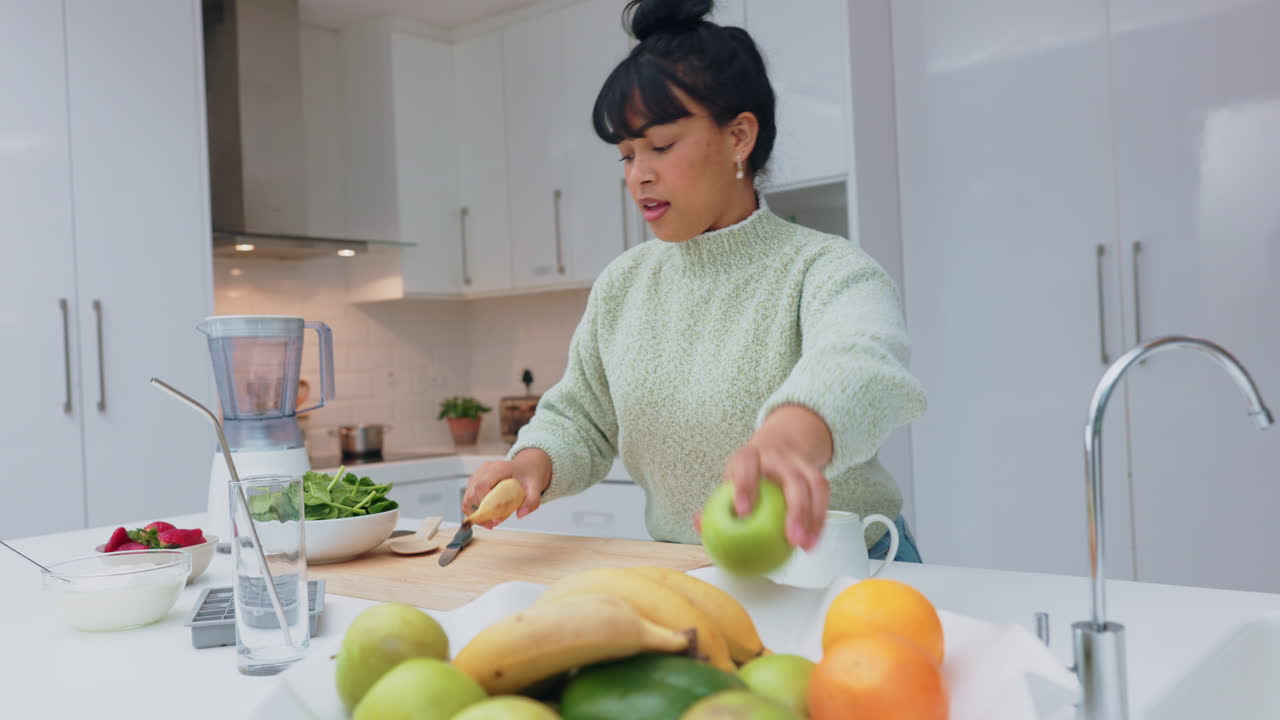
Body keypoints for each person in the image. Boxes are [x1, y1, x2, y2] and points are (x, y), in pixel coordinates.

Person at [463, 0, 927, 561]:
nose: (639, 175)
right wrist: (529, 465)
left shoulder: (825, 269)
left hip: (851, 571)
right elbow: (581, 418)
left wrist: (791, 435)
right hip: (694, 575)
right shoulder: (624, 285)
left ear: (738, 138)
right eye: (627, 155)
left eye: (660, 146)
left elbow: (861, 364)